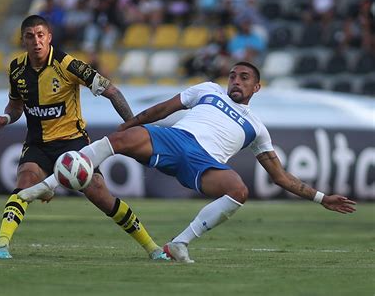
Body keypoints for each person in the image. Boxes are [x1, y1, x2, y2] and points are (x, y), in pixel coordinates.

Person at [19, 61, 357, 263]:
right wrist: (129, 124)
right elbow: (164, 110)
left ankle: (179, 243)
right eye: (233, 76)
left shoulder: (257, 128)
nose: (235, 81)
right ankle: (45, 186)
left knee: (238, 190)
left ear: (256, 86)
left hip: (203, 162)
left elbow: (281, 176)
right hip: (174, 139)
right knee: (119, 140)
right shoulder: (208, 89)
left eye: (243, 78)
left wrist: (321, 198)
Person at [0, 15, 168, 261]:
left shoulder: (68, 65)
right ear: (23, 40)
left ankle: (152, 247)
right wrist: (6, 118)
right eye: (30, 36)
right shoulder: (16, 68)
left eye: (41, 35)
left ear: (49, 37)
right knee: (25, 180)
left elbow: (112, 91)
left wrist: (133, 124)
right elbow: (16, 107)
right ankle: (1, 246)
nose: (36, 41)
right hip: (38, 144)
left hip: (73, 144)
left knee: (100, 195)